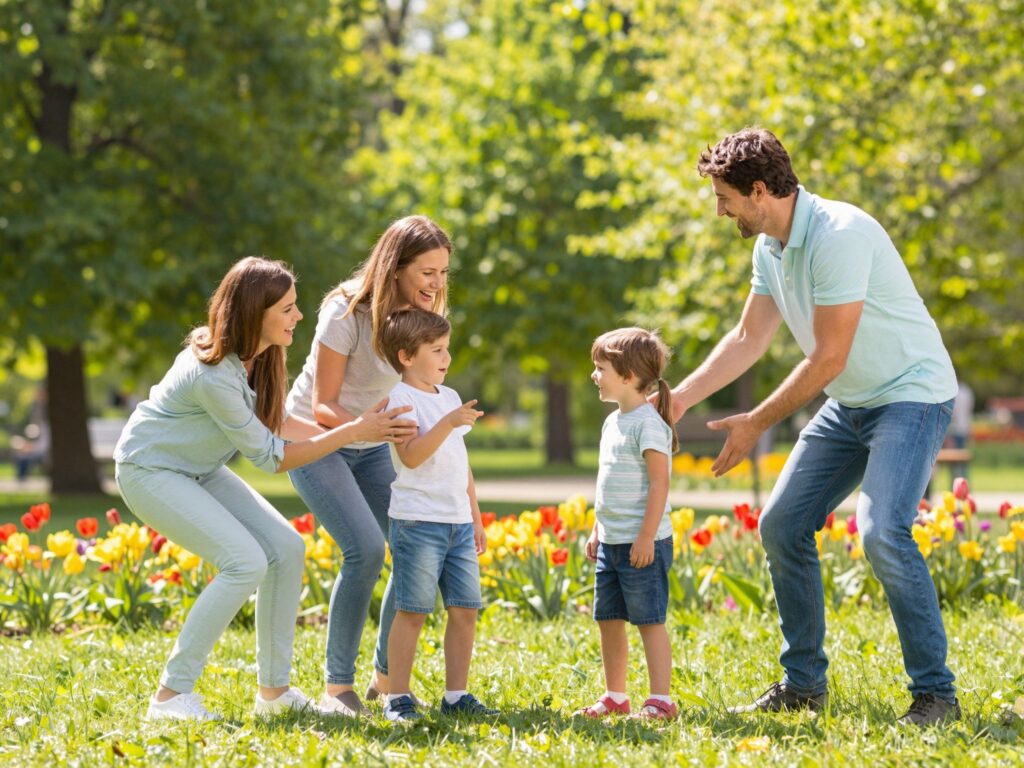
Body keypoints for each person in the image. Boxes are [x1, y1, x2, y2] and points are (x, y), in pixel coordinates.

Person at [666, 128, 960, 726]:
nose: (719, 210)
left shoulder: (838, 235)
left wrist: (754, 422)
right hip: (851, 402)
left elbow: (828, 357)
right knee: (781, 524)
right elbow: (749, 337)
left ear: (757, 190)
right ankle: (804, 684)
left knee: (881, 532)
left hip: (910, 394)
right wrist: (679, 399)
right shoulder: (769, 247)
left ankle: (936, 695)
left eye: (724, 197)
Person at [114, 257, 417, 722]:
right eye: (288, 308)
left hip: (200, 467)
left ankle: (274, 693)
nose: (298, 316)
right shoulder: (212, 375)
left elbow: (277, 422)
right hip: (150, 470)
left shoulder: (259, 356)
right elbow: (272, 457)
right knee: (245, 562)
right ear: (258, 313)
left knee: (287, 548)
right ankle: (170, 697)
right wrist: (353, 430)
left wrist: (361, 433)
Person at [284, 215, 453, 716]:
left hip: (373, 439)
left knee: (412, 546)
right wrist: (372, 429)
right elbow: (322, 404)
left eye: (443, 272)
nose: (437, 284)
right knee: (364, 549)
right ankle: (338, 689)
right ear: (396, 266)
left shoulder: (421, 314)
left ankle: (385, 679)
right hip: (318, 438)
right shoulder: (346, 310)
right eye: (427, 272)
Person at [376, 308, 498, 722]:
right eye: (437, 350)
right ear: (407, 356)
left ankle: (456, 695)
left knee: (465, 609)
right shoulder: (400, 400)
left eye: (448, 349)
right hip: (417, 522)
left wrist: (475, 515)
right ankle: (397, 696)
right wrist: (447, 422)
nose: (447, 358)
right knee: (412, 610)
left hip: (458, 522)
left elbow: (459, 462)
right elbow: (410, 458)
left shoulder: (447, 397)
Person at [576, 328, 678, 721]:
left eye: (600, 368)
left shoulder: (647, 424)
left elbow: (659, 483)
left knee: (649, 621)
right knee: (609, 619)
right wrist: (597, 529)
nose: (594, 375)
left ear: (629, 376)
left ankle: (661, 700)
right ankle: (615, 695)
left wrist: (647, 536)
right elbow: (609, 482)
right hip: (613, 542)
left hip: (642, 544)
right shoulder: (612, 422)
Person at [949, 380, 974, 480]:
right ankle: (963, 485)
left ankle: (956, 485)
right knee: (962, 464)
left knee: (955, 463)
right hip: (964, 429)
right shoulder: (967, 391)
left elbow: (953, 414)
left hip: (954, 430)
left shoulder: (953, 391)